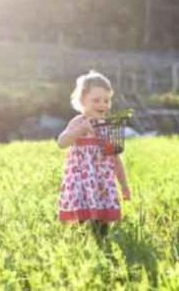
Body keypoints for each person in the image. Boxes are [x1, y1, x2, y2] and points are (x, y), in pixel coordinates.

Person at [56, 71, 130, 238]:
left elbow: (116, 159)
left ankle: (101, 240)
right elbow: (61, 142)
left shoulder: (109, 127)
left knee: (102, 218)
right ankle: (81, 240)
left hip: (101, 183)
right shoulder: (78, 122)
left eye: (106, 100)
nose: (102, 104)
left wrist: (124, 185)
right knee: (82, 216)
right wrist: (80, 130)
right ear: (82, 101)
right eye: (96, 100)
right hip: (81, 181)